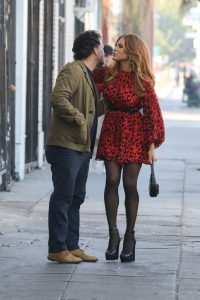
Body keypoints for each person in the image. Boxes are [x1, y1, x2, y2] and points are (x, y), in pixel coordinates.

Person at [93, 34, 165, 263]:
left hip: (135, 133)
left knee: (129, 184)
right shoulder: (107, 74)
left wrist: (152, 144)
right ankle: (113, 234)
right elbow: (88, 81)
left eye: (121, 46)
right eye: (116, 45)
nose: (115, 49)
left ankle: (130, 236)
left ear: (132, 52)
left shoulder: (142, 81)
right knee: (111, 180)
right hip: (113, 129)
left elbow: (153, 112)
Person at [45, 30, 106, 264]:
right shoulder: (73, 70)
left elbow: (94, 110)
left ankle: (72, 245)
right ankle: (57, 248)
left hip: (81, 147)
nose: (104, 49)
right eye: (101, 46)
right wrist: (80, 119)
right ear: (93, 49)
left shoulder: (89, 75)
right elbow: (58, 98)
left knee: (76, 197)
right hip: (65, 146)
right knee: (63, 196)